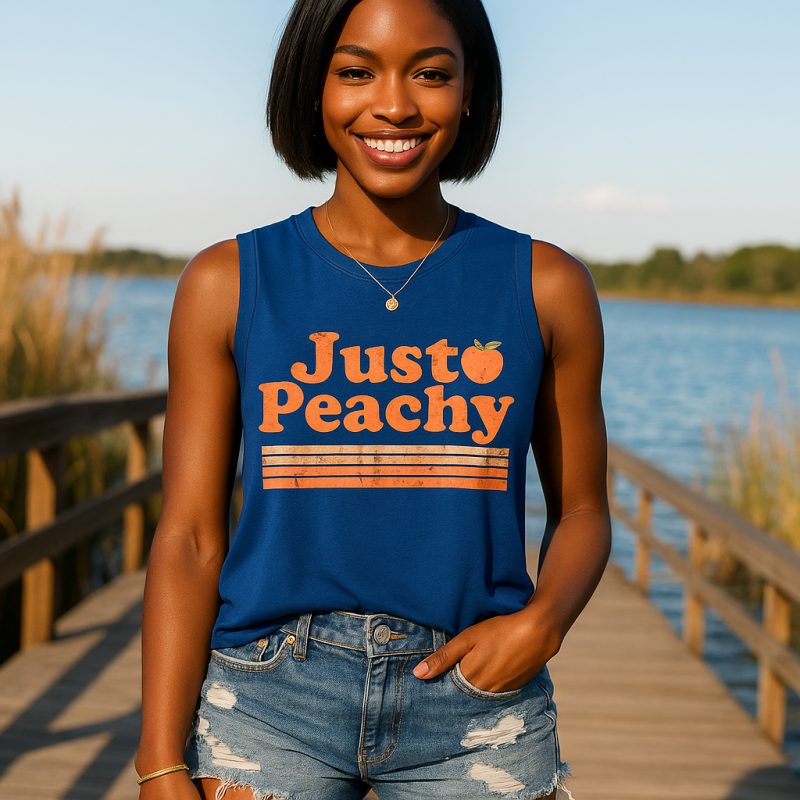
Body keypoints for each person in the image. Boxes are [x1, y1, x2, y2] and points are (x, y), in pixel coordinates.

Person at [135, 0, 611, 798]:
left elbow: (584, 510)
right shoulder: (228, 282)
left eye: (430, 73)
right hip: (267, 698)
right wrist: (158, 759)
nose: (394, 104)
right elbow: (187, 537)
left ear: (472, 93)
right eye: (356, 71)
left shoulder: (545, 285)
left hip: (475, 704)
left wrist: (543, 623)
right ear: (311, 88)